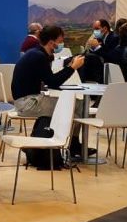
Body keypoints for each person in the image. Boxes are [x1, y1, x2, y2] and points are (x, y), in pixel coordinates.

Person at [11, 25, 87, 157]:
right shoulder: (39, 56)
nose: (61, 44)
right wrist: (72, 67)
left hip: (27, 100)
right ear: (52, 42)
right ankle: (73, 146)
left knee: (75, 106)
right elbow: (53, 82)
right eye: (60, 41)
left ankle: (72, 144)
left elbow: (49, 80)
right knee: (76, 106)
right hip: (28, 103)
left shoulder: (36, 53)